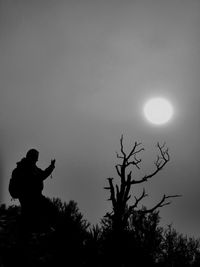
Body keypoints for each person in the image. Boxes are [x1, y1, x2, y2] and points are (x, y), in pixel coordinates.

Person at [13, 148, 56, 232]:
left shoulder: (32, 167)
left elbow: (42, 174)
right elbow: (40, 176)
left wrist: (51, 166)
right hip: (29, 196)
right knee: (31, 215)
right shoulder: (26, 168)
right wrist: (51, 167)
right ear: (32, 157)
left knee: (30, 215)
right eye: (36, 156)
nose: (37, 159)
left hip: (33, 196)